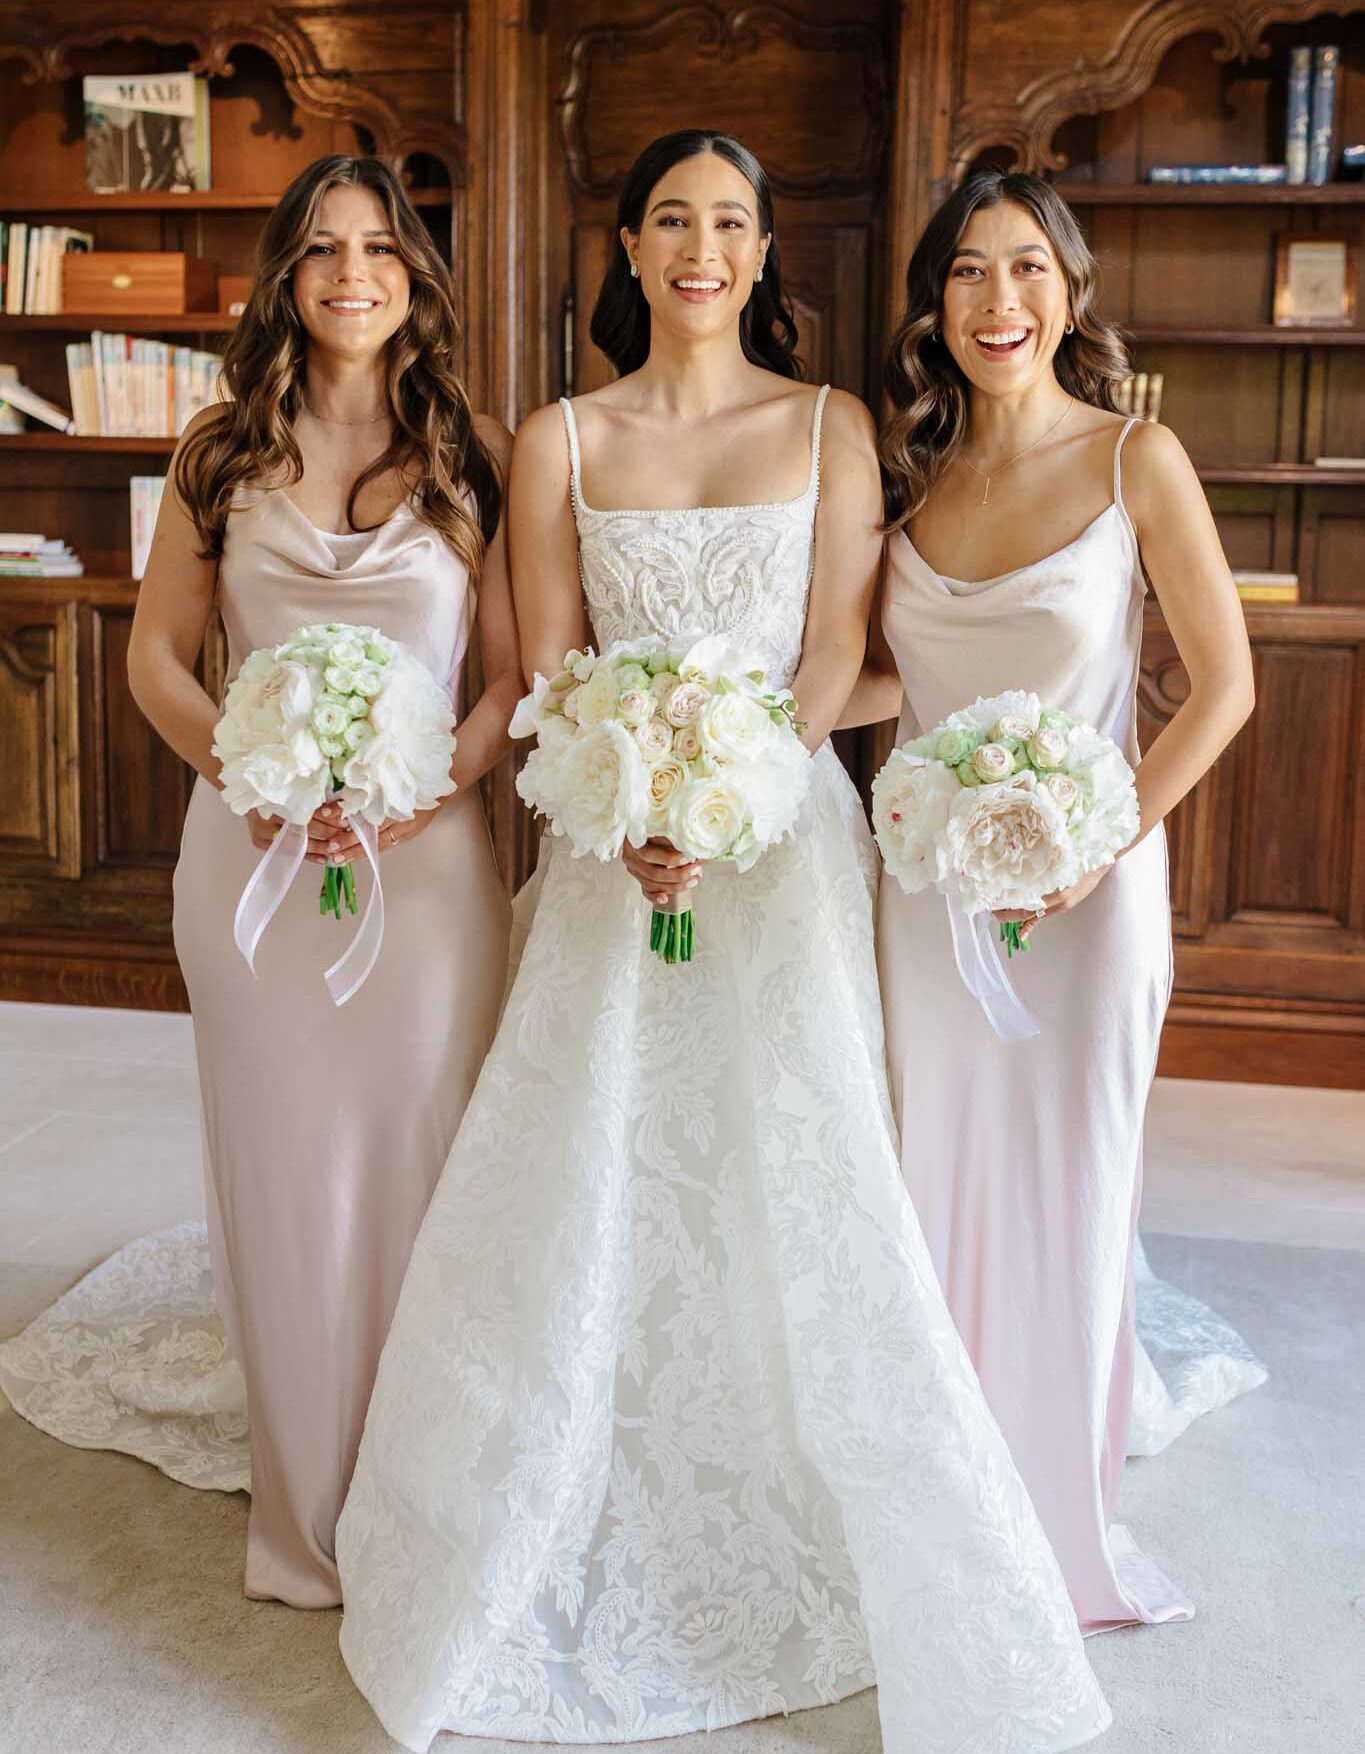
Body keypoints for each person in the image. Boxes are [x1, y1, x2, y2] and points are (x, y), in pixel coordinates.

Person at [335, 131, 1109, 1754]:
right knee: (591, 1159)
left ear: (763, 255)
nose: (702, 247)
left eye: (732, 223)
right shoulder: (557, 436)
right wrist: (631, 803)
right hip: (612, 844)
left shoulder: (829, 426)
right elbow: (552, 661)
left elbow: (833, 650)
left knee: (806, 1164)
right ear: (627, 246)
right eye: (672, 221)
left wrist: (736, 785)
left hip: (783, 844)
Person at [843, 169, 1258, 1632]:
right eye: (967, 270)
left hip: (1089, 901)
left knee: (1072, 1198)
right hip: (926, 897)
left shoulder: (1137, 456)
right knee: (933, 1189)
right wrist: (735, 721)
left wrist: (1104, 839)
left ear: (1069, 291)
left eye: (1026, 267)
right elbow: (886, 675)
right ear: (935, 301)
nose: (997, 298)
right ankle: (940, 1508)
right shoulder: (907, 475)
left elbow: (1224, 687)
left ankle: (1056, 1537)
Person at [117, 153, 516, 1607]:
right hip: (253, 868)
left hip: (428, 877)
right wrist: (253, 776)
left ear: (416, 277)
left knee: (419, 1166)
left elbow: (511, 679)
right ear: (286, 276)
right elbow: (157, 660)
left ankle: (420, 1496)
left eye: (381, 250)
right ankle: (302, 1519)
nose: (354, 274)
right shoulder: (217, 450)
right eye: (324, 250)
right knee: (285, 1174)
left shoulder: (475, 449)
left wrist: (420, 793)